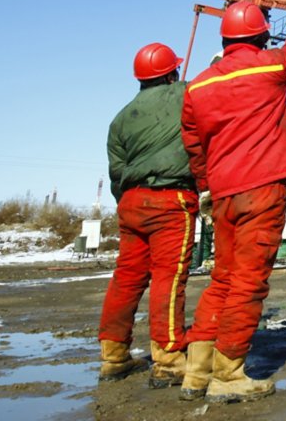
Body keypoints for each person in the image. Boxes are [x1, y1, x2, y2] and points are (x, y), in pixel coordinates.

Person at [178, 1, 286, 404]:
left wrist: (206, 185)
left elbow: (193, 144)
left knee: (222, 278)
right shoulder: (268, 67)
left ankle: (196, 371)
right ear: (260, 36)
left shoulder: (197, 86)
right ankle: (229, 374)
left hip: (222, 194)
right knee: (248, 282)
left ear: (224, 38)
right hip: (262, 188)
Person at [99, 42, 199, 388]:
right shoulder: (185, 93)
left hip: (130, 202)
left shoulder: (120, 118)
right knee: (169, 279)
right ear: (172, 72)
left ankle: (113, 355)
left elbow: (116, 173)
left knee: (127, 277)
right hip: (171, 200)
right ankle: (169, 360)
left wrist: (128, 203)